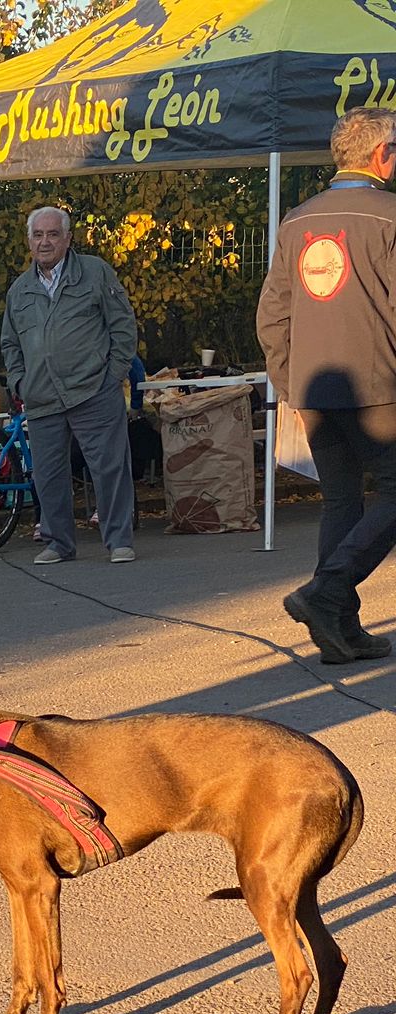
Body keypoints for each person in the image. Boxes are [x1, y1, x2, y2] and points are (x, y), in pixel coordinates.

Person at [257, 106, 396, 664]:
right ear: (382, 154)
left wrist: (290, 382)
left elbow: (272, 316)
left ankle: (338, 629)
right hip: (378, 386)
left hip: (314, 388)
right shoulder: (389, 217)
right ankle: (326, 592)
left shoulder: (296, 221)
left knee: (341, 499)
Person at [0, 206, 139, 566]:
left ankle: (119, 539)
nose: (44, 242)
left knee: (109, 468)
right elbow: (10, 344)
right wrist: (19, 382)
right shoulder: (20, 290)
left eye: (52, 234)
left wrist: (114, 374)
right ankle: (59, 543)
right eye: (38, 235)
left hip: (94, 389)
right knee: (47, 476)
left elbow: (123, 324)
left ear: (67, 238)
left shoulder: (94, 272)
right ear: (29, 241)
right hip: (42, 396)